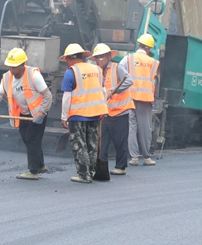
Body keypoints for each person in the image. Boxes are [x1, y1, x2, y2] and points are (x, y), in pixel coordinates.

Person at [0, 48, 52, 180]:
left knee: (31, 139)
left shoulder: (33, 75)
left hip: (37, 113)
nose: (11, 69)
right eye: (10, 66)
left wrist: (41, 114)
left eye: (14, 67)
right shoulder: (6, 78)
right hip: (22, 114)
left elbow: (47, 96)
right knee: (26, 138)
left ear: (22, 65)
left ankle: (33, 171)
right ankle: (40, 164)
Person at [60, 43, 108, 184]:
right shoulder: (97, 69)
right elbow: (103, 91)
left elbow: (67, 97)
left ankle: (84, 175)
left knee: (79, 144)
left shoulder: (71, 72)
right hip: (95, 113)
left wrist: (64, 116)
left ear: (69, 58)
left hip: (78, 114)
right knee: (91, 144)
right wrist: (103, 105)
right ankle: (91, 172)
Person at [91, 43, 134, 176]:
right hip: (105, 113)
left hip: (120, 111)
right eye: (98, 57)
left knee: (120, 141)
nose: (100, 59)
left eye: (103, 56)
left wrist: (112, 91)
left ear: (108, 56)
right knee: (102, 142)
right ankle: (101, 166)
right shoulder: (96, 72)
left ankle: (121, 167)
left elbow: (128, 81)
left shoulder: (117, 68)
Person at [121, 33, 160, 166]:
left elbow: (120, 74)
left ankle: (134, 158)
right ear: (148, 49)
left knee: (132, 127)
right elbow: (154, 82)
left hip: (130, 98)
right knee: (145, 128)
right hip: (145, 99)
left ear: (139, 45)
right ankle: (147, 157)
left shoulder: (128, 59)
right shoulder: (153, 62)